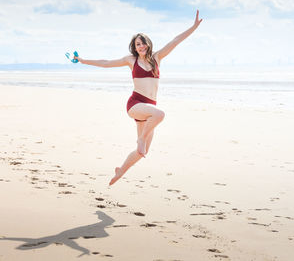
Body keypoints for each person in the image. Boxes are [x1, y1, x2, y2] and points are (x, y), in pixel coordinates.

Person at [75, 10, 202, 185]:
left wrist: (193, 27)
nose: (141, 47)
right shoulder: (131, 60)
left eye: (143, 44)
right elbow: (105, 63)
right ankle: (141, 138)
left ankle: (120, 171)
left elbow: (176, 41)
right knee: (160, 115)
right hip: (136, 104)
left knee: (142, 152)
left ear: (148, 44)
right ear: (134, 48)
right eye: (137, 45)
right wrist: (83, 60)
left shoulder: (157, 58)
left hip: (149, 108)